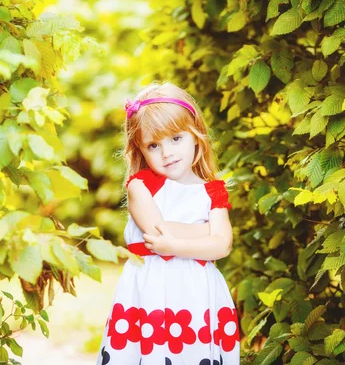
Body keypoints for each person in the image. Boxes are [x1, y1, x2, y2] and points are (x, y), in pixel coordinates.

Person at [96, 82, 240, 365]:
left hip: (198, 292)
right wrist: (206, 235)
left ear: (195, 134)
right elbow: (158, 234)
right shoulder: (141, 186)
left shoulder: (213, 191)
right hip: (151, 291)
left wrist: (181, 243)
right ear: (140, 149)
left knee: (192, 352)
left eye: (176, 138)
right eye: (154, 145)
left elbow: (222, 246)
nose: (167, 153)